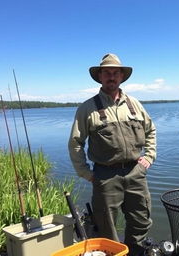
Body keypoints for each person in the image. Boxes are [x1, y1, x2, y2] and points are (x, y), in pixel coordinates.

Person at [68, 53, 156, 255]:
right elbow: (75, 143)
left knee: (141, 221)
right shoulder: (87, 108)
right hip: (105, 177)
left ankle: (136, 252)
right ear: (99, 76)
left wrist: (149, 157)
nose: (111, 76)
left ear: (121, 76)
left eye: (115, 72)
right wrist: (86, 173)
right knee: (106, 226)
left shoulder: (134, 104)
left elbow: (151, 130)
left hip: (136, 173)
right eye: (107, 72)